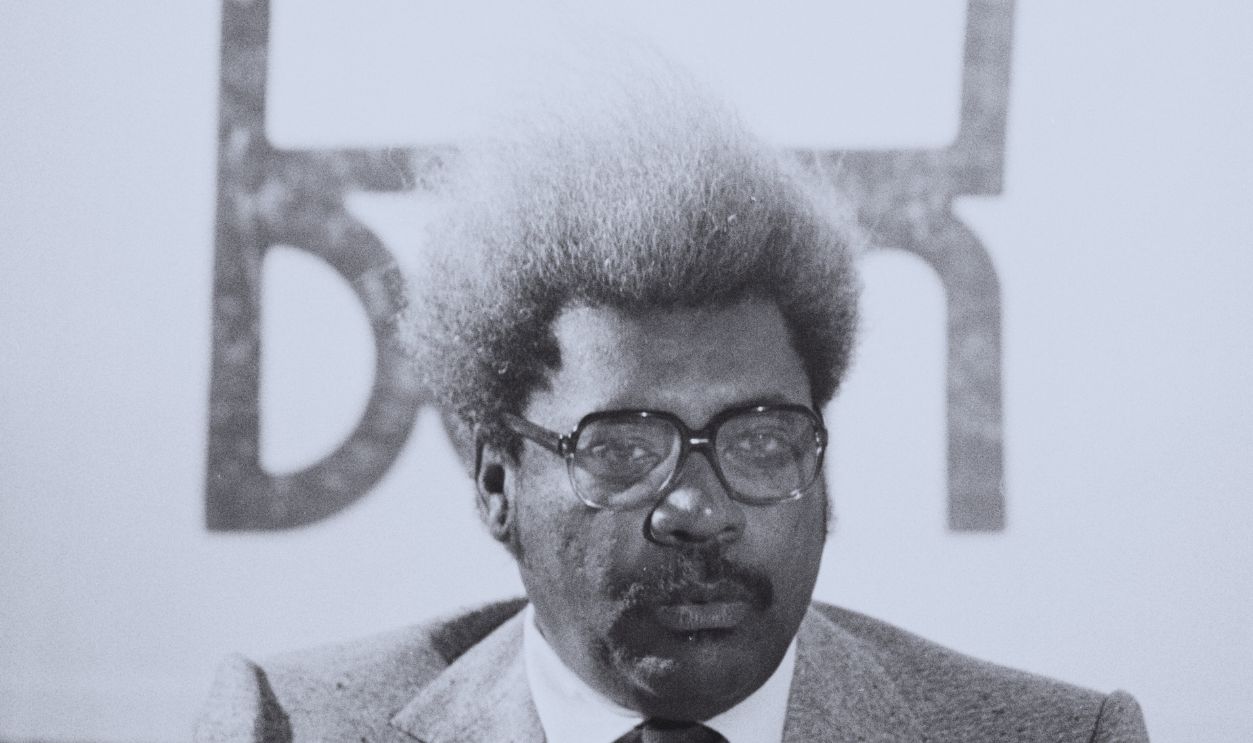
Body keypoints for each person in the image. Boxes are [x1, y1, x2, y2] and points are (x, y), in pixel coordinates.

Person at [194, 72, 1149, 743]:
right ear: (496, 480)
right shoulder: (290, 725)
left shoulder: (1058, 737)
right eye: (621, 448)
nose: (698, 508)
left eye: (763, 439)